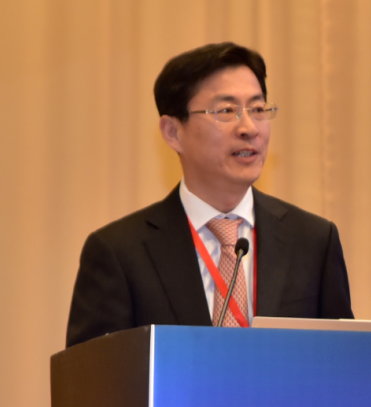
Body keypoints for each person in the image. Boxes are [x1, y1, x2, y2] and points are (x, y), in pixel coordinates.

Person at [65, 42, 354, 347]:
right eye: (227, 111)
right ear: (173, 132)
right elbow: (92, 375)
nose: (249, 128)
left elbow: (344, 361)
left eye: (258, 109)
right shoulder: (119, 253)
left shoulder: (312, 241)